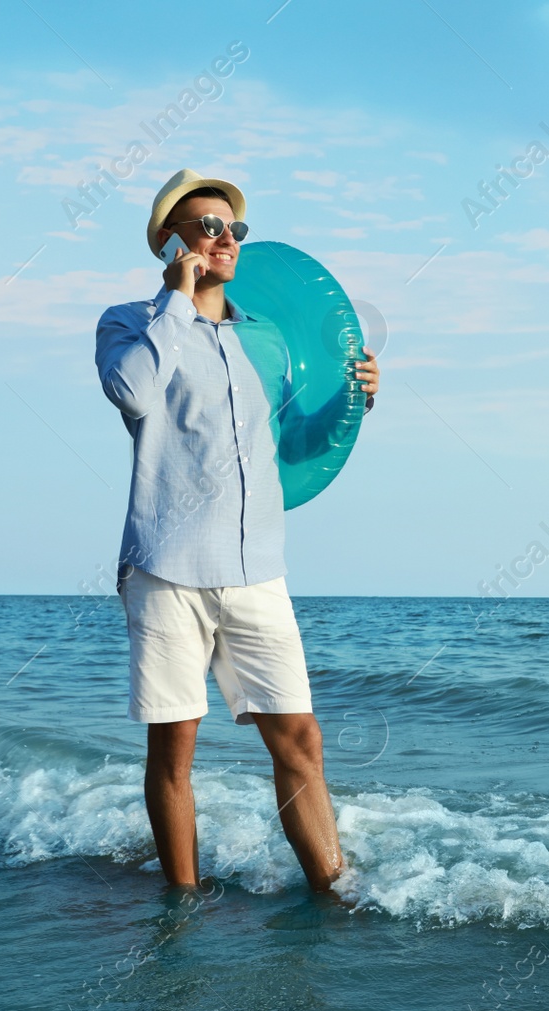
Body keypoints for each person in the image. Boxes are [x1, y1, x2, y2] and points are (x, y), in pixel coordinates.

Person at [93, 168, 378, 895]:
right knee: (175, 750)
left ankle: (332, 893)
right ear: (172, 241)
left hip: (257, 568)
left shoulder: (268, 339)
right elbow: (131, 390)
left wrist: (355, 400)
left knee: (301, 739)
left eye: (234, 228)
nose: (225, 238)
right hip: (166, 567)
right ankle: (181, 905)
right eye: (208, 227)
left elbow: (292, 448)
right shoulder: (128, 322)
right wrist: (177, 300)